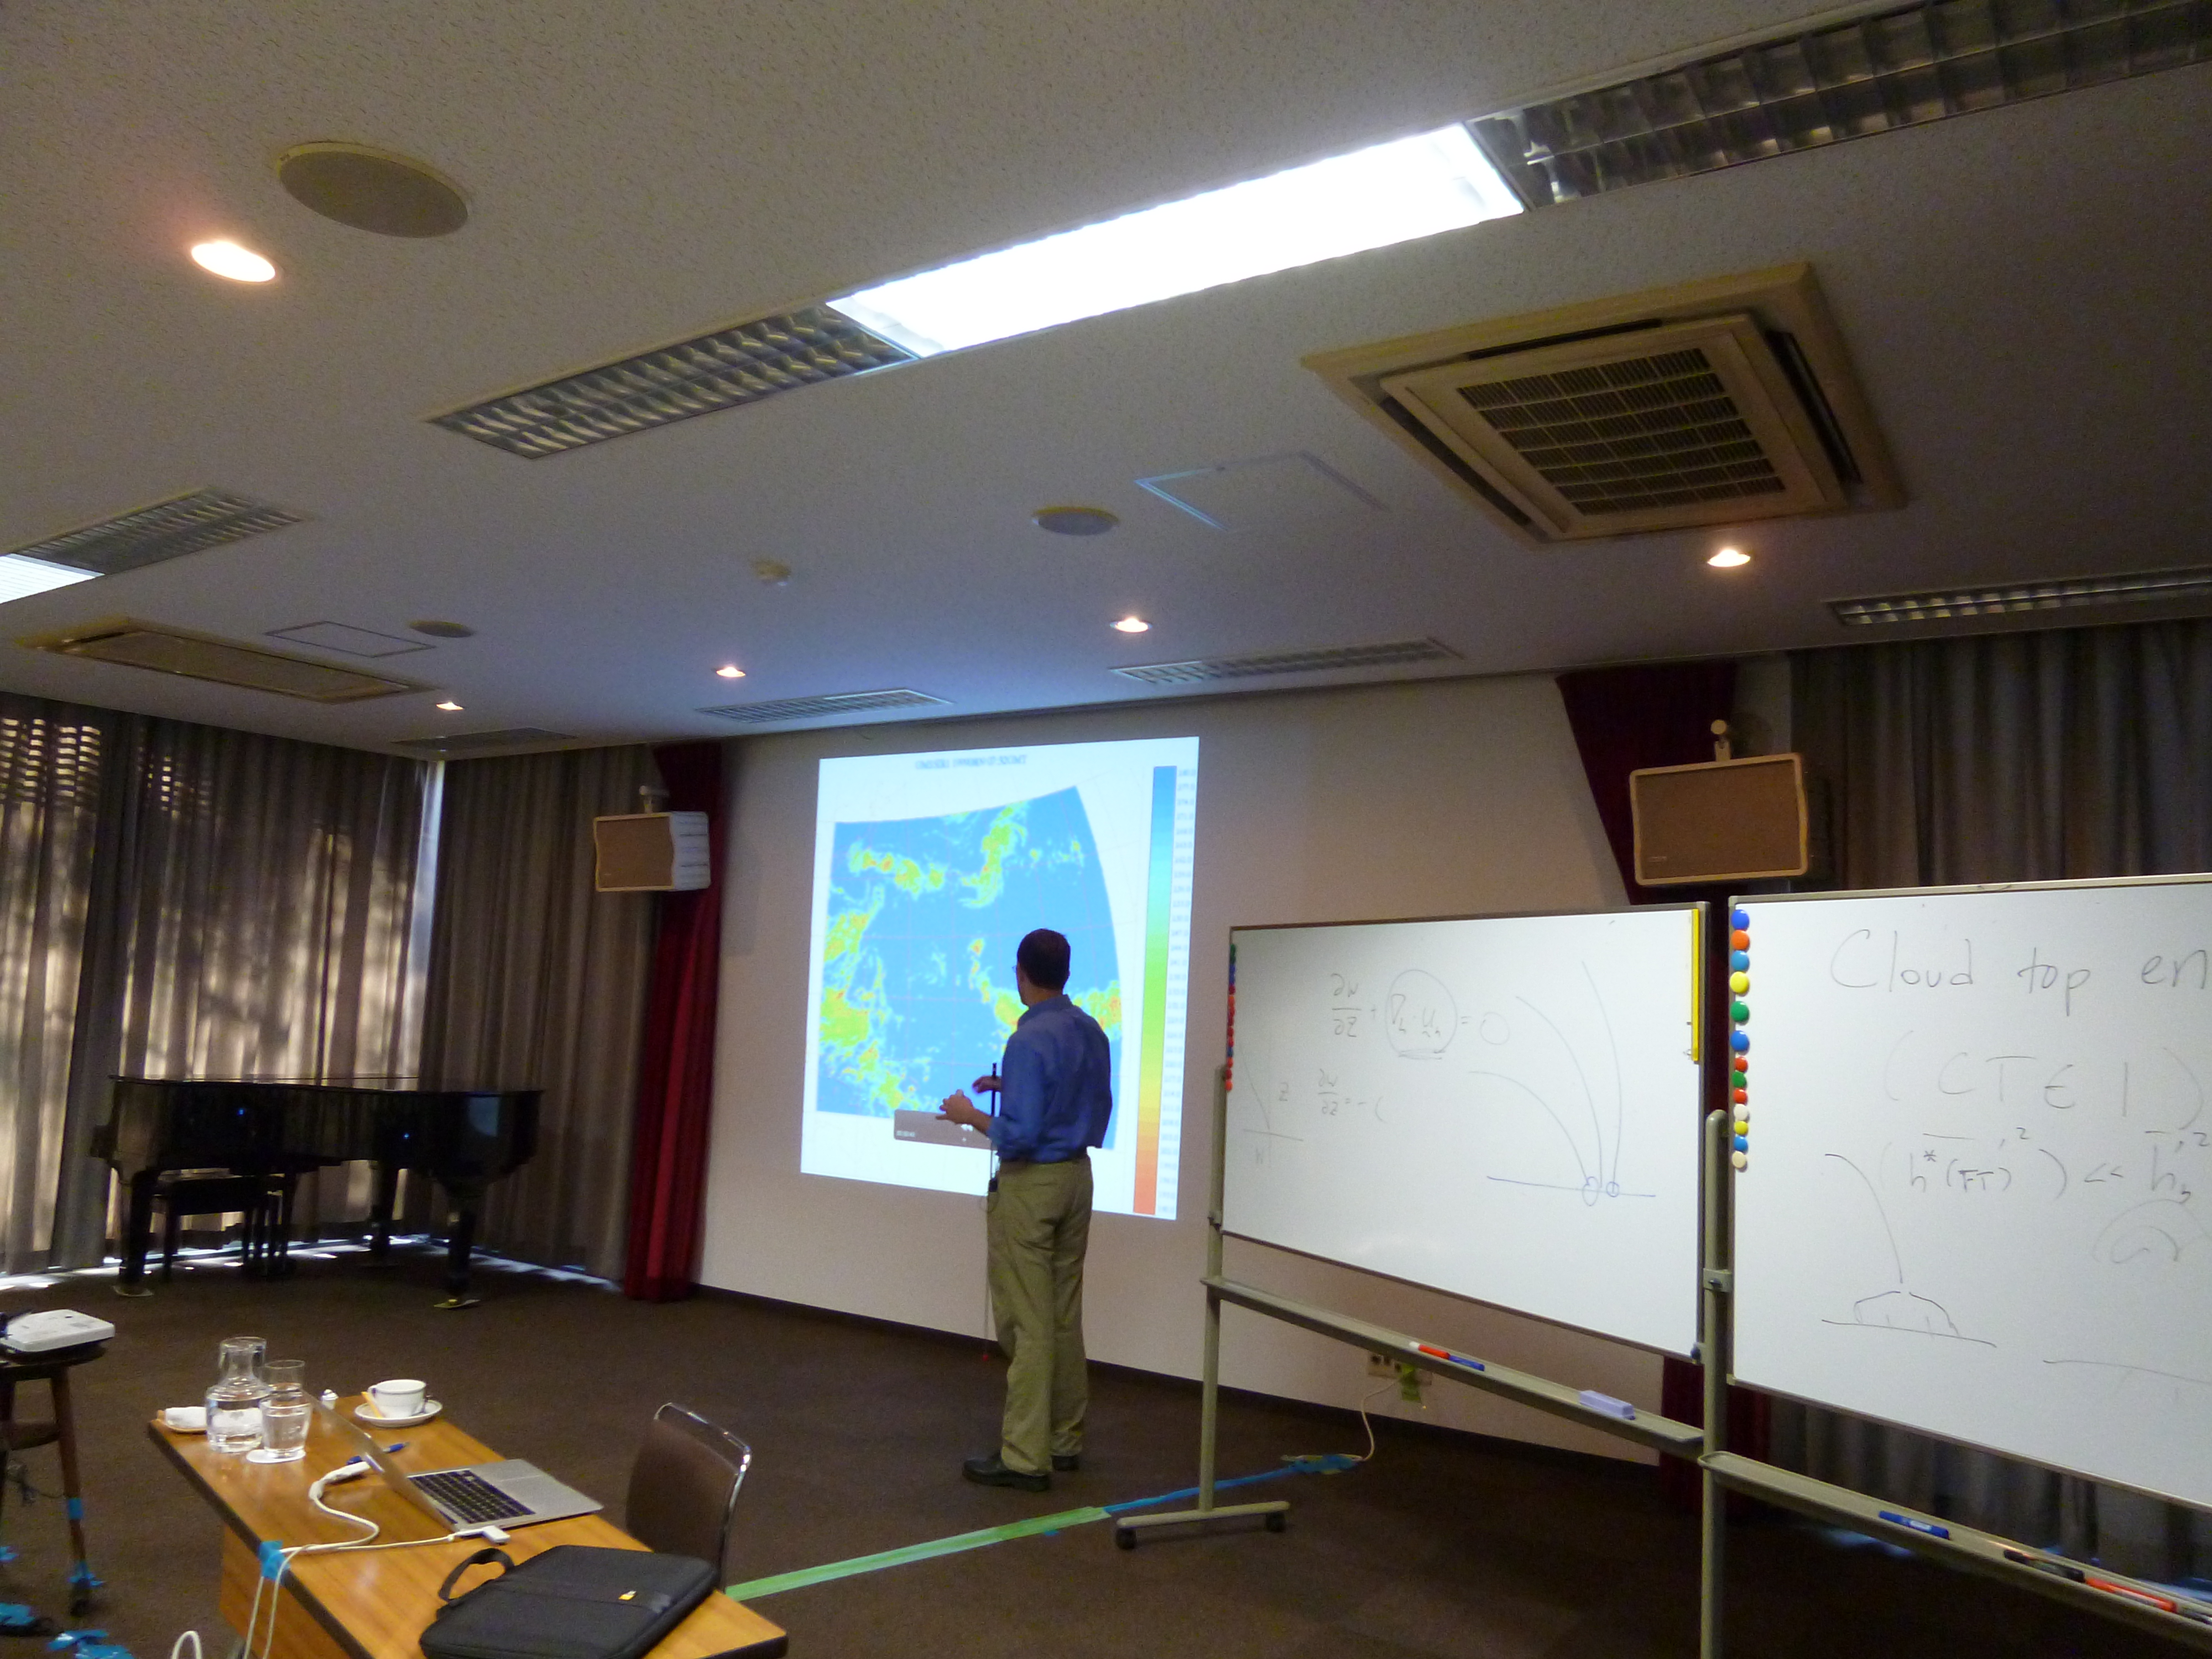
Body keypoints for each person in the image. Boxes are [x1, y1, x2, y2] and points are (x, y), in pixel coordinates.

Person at [938, 927, 1113, 1490]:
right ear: (1066, 972)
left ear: (1020, 973)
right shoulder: (1090, 1030)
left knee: (1027, 1324)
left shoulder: (1028, 1039)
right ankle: (1063, 1439)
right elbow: (1088, 1101)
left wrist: (969, 1114)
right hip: (1076, 1179)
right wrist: (1010, 1085)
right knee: (1062, 1314)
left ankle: (1023, 1456)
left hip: (1032, 1186)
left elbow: (1018, 1135)